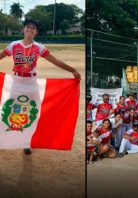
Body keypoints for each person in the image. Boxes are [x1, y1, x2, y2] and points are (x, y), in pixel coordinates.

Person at [0, 19, 81, 155]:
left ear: (36, 32)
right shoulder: (14, 45)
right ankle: (5, 138)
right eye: (28, 27)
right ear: (23, 30)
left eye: (33, 28)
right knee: (9, 110)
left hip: (31, 83)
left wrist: (72, 70)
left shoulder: (38, 47)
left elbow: (55, 60)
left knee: (32, 112)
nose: (30, 29)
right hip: (16, 82)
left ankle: (27, 142)